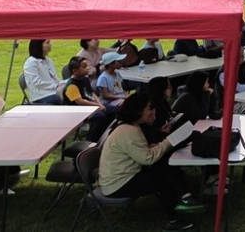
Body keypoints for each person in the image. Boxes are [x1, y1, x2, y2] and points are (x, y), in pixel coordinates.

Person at [99, 92, 204, 231]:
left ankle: (185, 197)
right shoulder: (128, 131)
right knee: (165, 179)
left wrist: (154, 146)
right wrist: (167, 142)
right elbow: (147, 158)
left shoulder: (130, 127)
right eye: (148, 108)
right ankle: (174, 219)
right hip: (118, 184)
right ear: (137, 110)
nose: (152, 112)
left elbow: (138, 151)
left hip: (124, 176)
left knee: (164, 164)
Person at [61, 57, 114, 142]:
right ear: (75, 71)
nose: (88, 68)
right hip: (78, 110)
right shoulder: (71, 86)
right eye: (84, 67)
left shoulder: (85, 79)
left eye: (87, 65)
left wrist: (100, 104)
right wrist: (98, 106)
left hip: (90, 106)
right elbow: (80, 102)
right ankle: (91, 141)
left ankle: (105, 135)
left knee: (113, 110)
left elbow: (92, 93)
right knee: (100, 116)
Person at [23, 39, 62, 104]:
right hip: (41, 96)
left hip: (54, 91)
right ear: (39, 45)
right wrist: (55, 86)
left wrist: (62, 84)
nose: (50, 45)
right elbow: (36, 82)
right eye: (47, 43)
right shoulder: (31, 62)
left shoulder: (48, 60)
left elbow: (54, 77)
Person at [142, 77, 175, 144]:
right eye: (169, 87)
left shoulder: (163, 102)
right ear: (161, 89)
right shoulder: (154, 108)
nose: (172, 89)